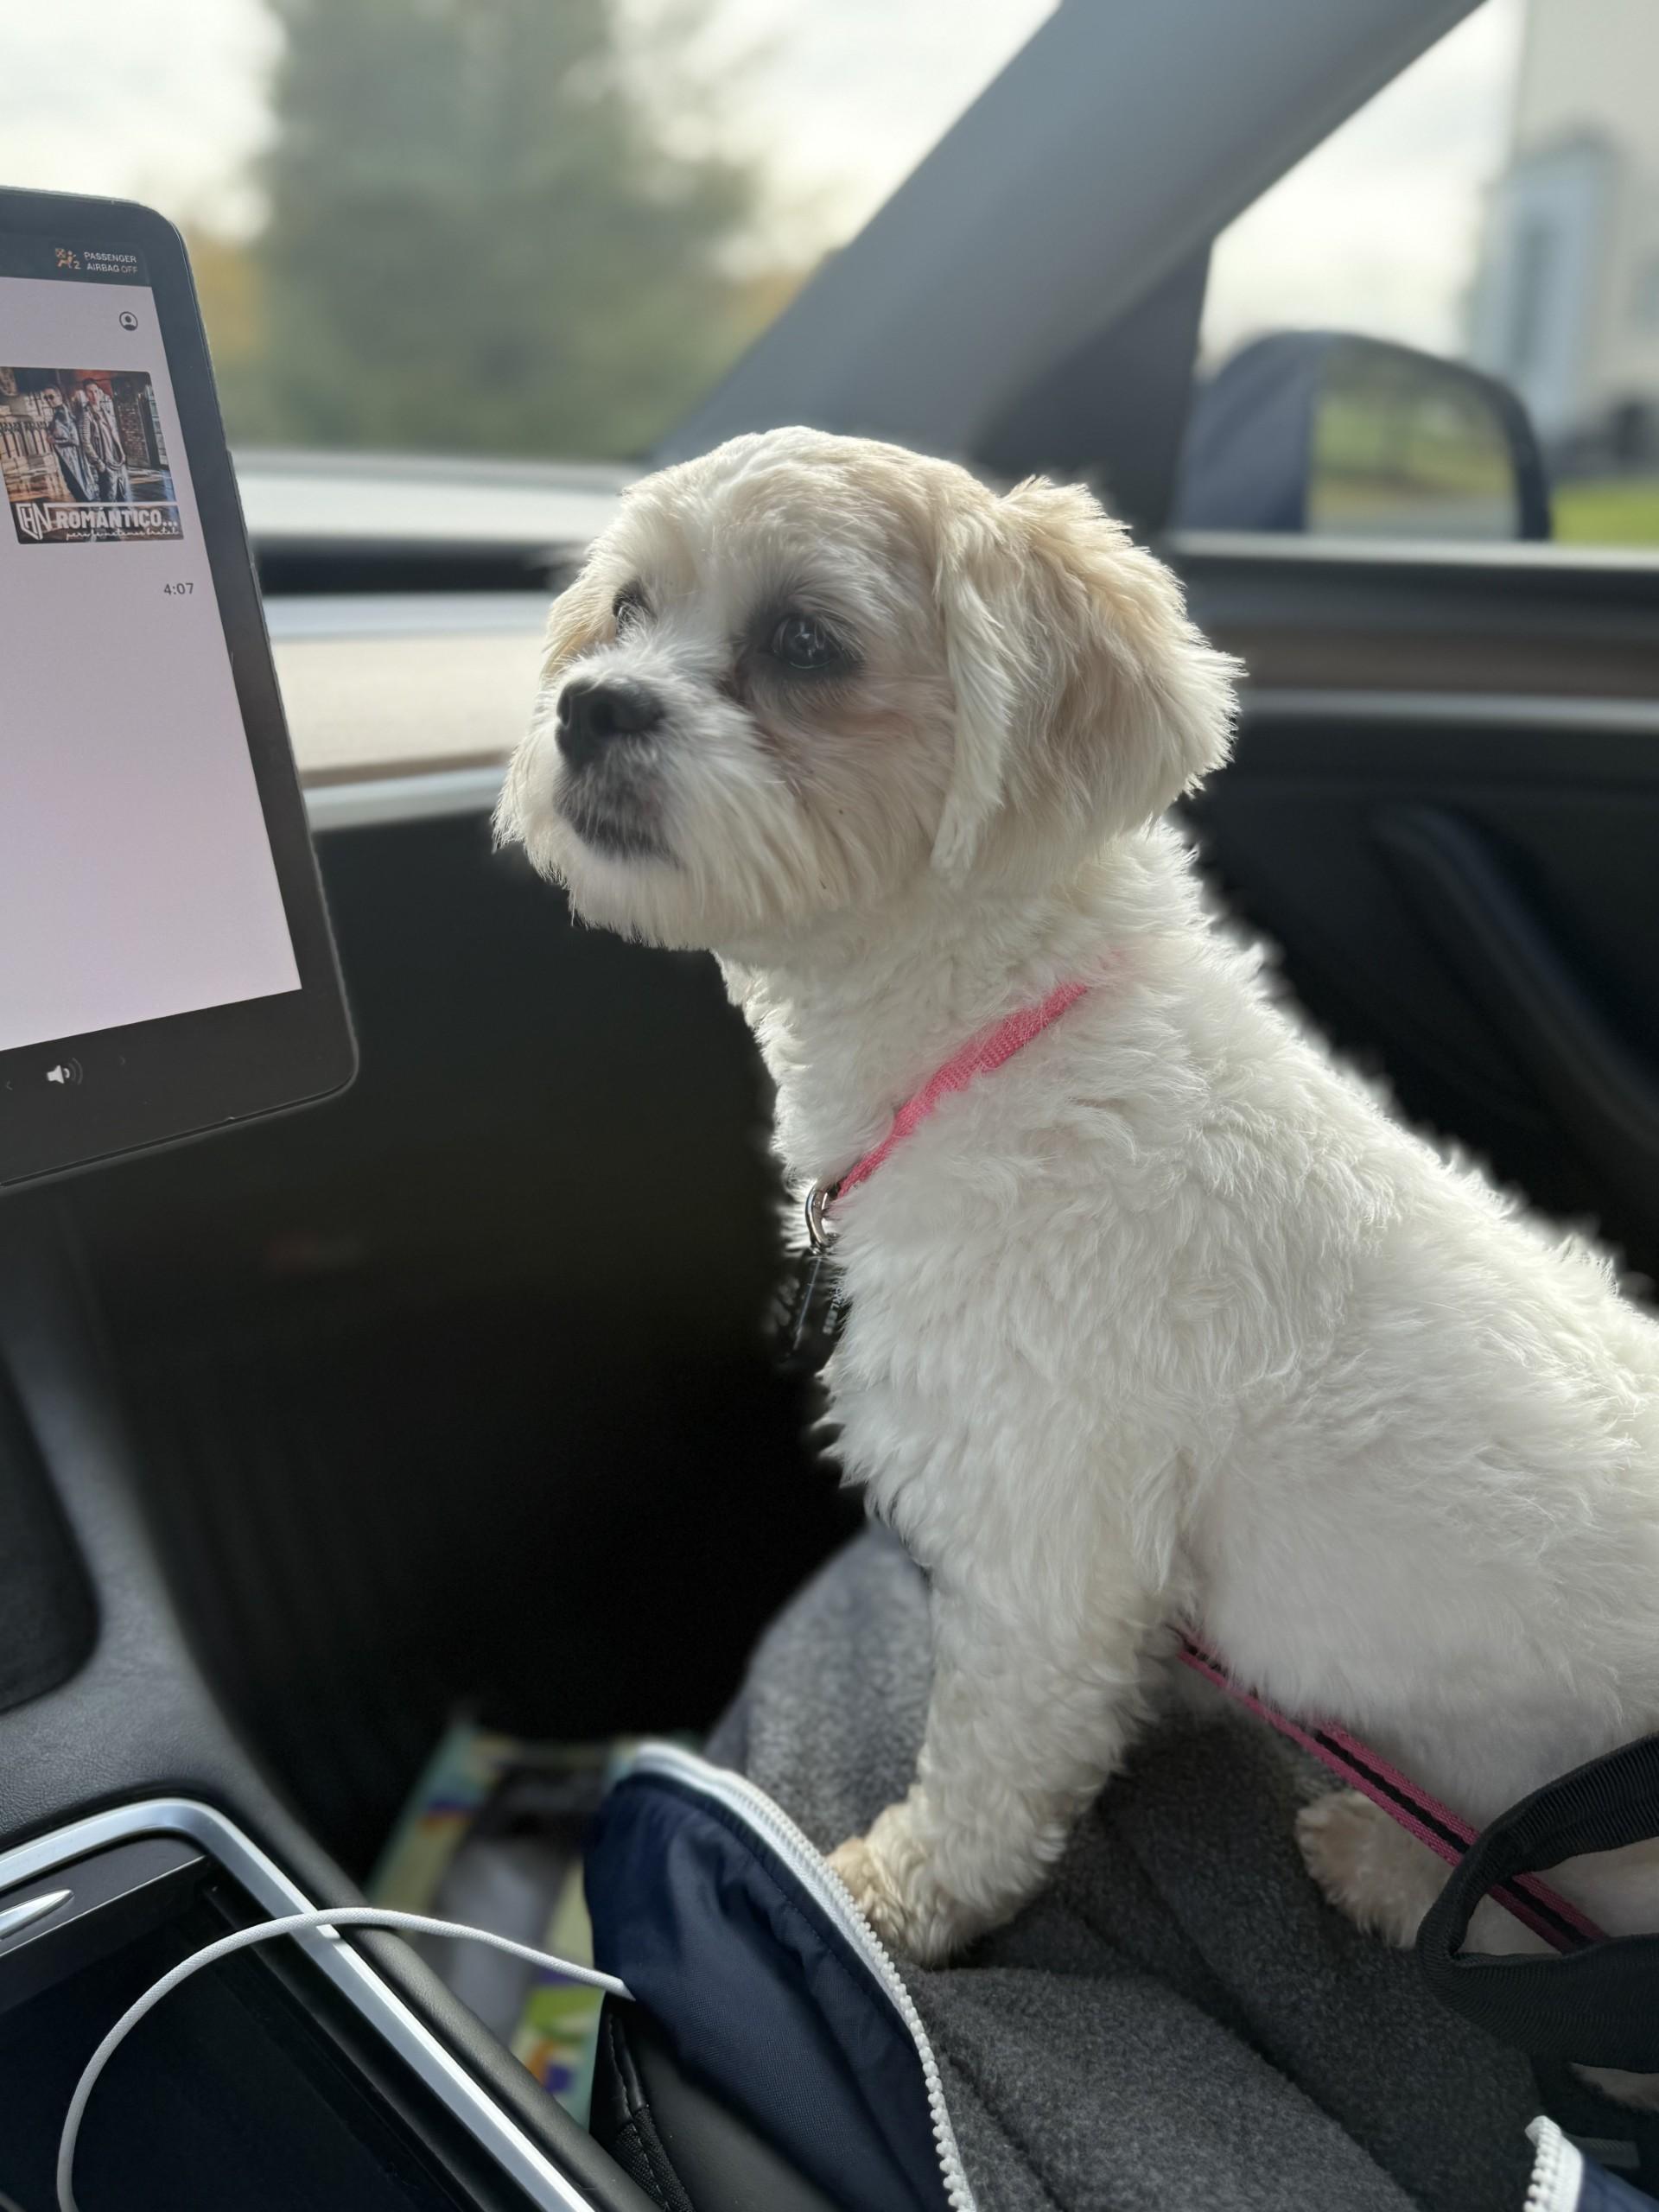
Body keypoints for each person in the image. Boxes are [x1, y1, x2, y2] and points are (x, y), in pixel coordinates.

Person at [79, 380, 130, 504]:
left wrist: (122, 454)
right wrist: (98, 462)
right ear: (86, 395)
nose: (94, 395)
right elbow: (85, 442)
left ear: (100, 393)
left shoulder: (106, 412)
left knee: (123, 494)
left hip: (117, 460)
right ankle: (111, 522)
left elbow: (114, 435)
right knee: (109, 497)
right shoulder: (86, 416)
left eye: (96, 392)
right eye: (90, 392)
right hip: (104, 462)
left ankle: (127, 522)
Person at [41, 386, 95, 501]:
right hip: (66, 458)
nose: (48, 401)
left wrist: (54, 440)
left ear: (59, 396)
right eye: (45, 398)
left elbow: (75, 440)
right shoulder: (57, 414)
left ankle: (89, 516)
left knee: (78, 488)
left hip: (71, 459)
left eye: (51, 397)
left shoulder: (63, 413)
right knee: (75, 487)